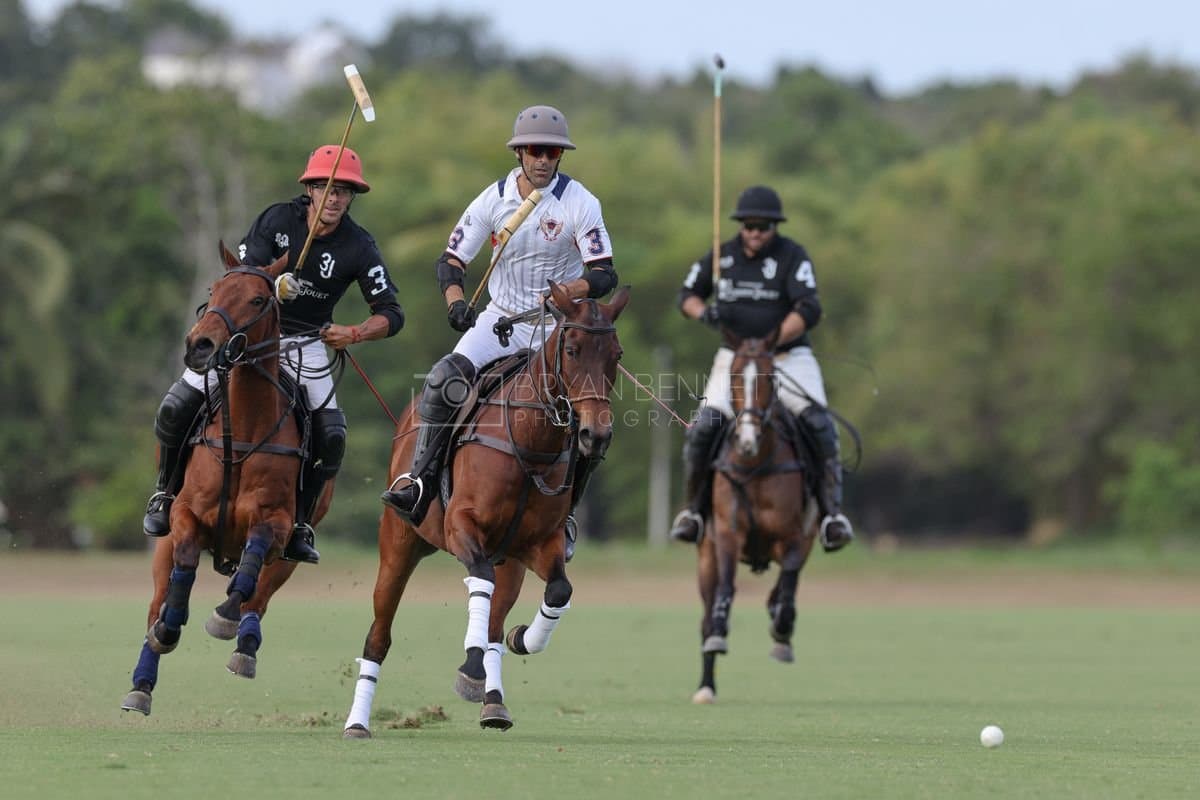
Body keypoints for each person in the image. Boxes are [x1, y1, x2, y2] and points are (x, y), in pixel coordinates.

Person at [141, 145, 405, 564]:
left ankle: (299, 522)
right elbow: (243, 275)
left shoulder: (359, 245)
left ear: (351, 197)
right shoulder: (277, 219)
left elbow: (391, 313)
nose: (333, 197)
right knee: (176, 405)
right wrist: (275, 282)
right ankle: (164, 494)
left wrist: (353, 333)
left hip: (306, 342)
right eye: (325, 187)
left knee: (332, 434)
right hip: (250, 335)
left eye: (343, 191)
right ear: (310, 189)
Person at [380, 104, 617, 561]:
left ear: (560, 155)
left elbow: (604, 272)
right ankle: (420, 481)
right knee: (443, 380)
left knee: (591, 415)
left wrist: (573, 289)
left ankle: (564, 510)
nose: (543, 159)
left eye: (552, 151)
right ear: (519, 153)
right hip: (500, 320)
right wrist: (455, 303)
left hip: (556, 329)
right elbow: (450, 261)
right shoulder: (493, 200)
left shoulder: (580, 203)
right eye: (535, 151)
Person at [668, 185, 853, 552]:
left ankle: (831, 514)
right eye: (749, 226)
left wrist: (769, 344)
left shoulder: (792, 256)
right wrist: (706, 313)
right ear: (740, 226)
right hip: (733, 362)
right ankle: (694, 511)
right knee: (704, 428)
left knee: (819, 424)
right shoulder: (722, 256)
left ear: (775, 227)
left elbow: (809, 308)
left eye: (763, 226)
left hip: (787, 358)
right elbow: (685, 296)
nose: (755, 233)